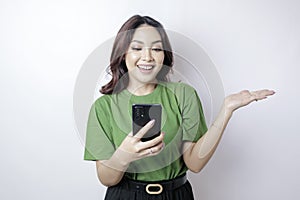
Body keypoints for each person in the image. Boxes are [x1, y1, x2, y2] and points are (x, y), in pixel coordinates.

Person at [84, 15, 275, 200]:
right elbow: (107, 178)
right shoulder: (104, 106)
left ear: (164, 55)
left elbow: (195, 163)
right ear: (123, 52)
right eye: (137, 48)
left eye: (156, 49)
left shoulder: (183, 95)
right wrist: (124, 155)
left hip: (176, 194)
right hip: (125, 195)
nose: (147, 57)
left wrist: (226, 110)